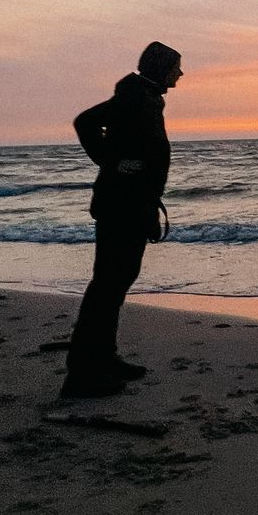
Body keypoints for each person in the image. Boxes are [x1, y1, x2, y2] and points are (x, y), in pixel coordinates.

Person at [62, 41, 182, 398]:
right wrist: (111, 162)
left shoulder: (145, 98)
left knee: (115, 285)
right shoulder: (133, 97)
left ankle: (105, 358)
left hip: (133, 204)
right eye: (177, 66)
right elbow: (85, 122)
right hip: (120, 206)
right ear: (161, 68)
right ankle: (82, 374)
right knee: (107, 287)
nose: (181, 73)